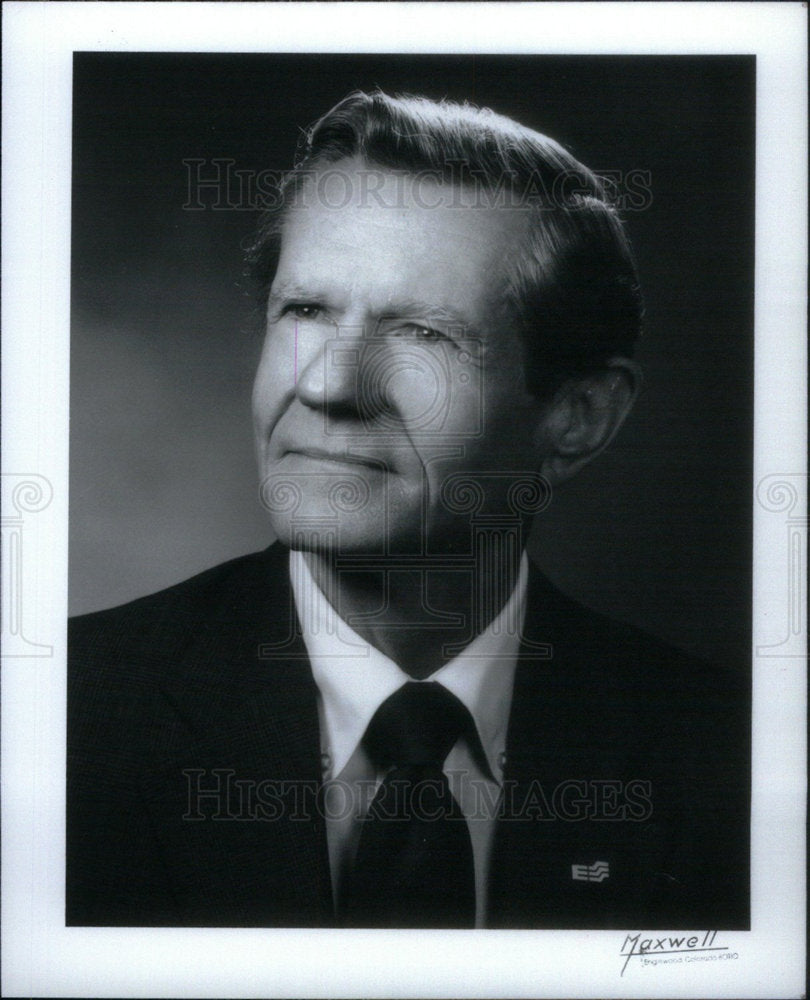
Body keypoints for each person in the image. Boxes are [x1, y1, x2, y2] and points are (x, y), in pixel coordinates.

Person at [67, 90, 749, 929]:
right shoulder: (60, 718)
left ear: (578, 417)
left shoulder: (729, 760)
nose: (325, 385)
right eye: (306, 310)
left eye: (425, 335)